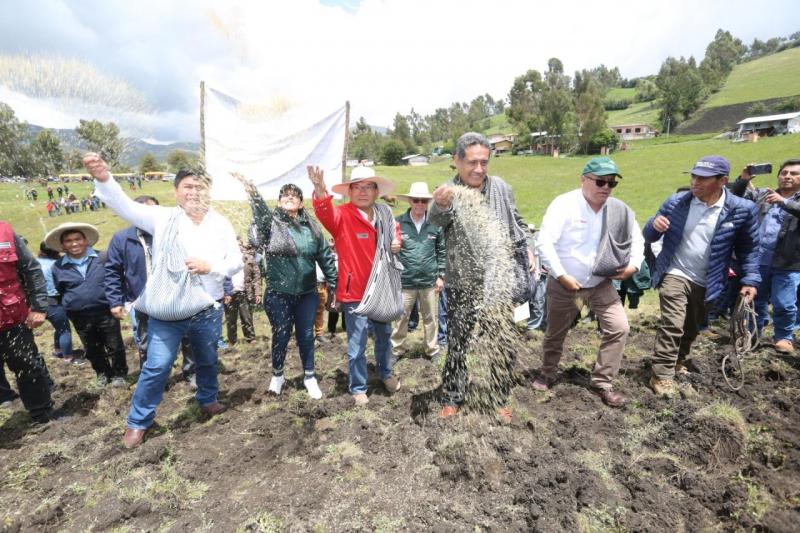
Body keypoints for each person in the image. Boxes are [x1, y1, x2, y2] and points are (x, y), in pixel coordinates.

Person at [85, 154, 242, 448]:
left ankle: (207, 399)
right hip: (168, 310)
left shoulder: (220, 223)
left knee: (207, 359)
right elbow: (124, 206)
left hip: (207, 306)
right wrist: (104, 177)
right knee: (157, 365)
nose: (194, 192)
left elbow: (234, 260)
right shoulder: (162, 217)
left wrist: (212, 267)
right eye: (188, 186)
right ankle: (138, 422)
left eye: (200, 186)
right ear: (177, 191)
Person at [429, 132, 534, 421]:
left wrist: (529, 248)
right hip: (464, 281)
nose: (478, 169)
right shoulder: (448, 191)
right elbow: (435, 220)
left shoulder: (501, 188)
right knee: (458, 342)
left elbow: (517, 221)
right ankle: (452, 396)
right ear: (457, 161)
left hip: (500, 280)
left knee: (503, 341)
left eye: (484, 163)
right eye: (472, 163)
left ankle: (500, 398)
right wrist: (439, 204)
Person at [644, 155, 761, 396]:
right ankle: (662, 374)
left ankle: (678, 361)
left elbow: (749, 248)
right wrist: (653, 225)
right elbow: (650, 234)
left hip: (710, 280)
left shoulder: (742, 210)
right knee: (672, 324)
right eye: (693, 176)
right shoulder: (677, 202)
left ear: (723, 181)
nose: (695, 182)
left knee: (691, 327)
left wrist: (750, 279)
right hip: (674, 272)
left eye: (703, 178)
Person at [534, 157, 644, 407]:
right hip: (564, 282)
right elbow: (544, 242)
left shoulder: (619, 210)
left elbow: (637, 241)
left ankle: (602, 382)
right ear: (584, 180)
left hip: (600, 282)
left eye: (611, 183)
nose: (606, 187)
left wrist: (633, 266)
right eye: (600, 181)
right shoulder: (564, 205)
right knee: (556, 332)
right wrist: (561, 275)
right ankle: (548, 372)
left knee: (619, 327)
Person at [309, 165, 402, 406]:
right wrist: (320, 189)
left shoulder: (384, 213)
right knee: (357, 342)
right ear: (350, 191)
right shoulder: (342, 215)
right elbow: (324, 213)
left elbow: (396, 233)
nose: (362, 192)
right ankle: (358, 386)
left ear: (376, 191)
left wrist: (396, 241)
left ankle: (386, 373)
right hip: (354, 292)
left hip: (382, 289)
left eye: (368, 187)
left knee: (384, 335)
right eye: (357, 187)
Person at [237, 174, 336, 400]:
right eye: (285, 194)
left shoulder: (312, 228)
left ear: (301, 203)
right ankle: (277, 375)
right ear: (280, 201)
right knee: (281, 334)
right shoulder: (271, 224)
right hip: (278, 295)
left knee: (305, 336)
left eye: (295, 195)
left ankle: (309, 377)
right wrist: (252, 190)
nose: (290, 197)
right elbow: (260, 211)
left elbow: (325, 257)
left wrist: (335, 283)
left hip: (307, 294)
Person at [730, 159, 800, 353]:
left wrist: (784, 202)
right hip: (758, 259)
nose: (787, 176)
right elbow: (736, 197)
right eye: (784, 173)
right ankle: (752, 335)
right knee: (755, 301)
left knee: (784, 303)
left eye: (794, 173)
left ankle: (784, 337)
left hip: (788, 261)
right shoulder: (763, 195)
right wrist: (743, 179)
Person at [48, 222, 129, 387]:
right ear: (63, 245)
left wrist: (119, 302)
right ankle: (102, 373)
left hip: (106, 311)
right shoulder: (57, 267)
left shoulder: (104, 257)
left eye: (78, 239)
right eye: (69, 241)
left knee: (114, 344)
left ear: (86, 240)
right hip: (79, 316)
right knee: (92, 348)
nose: (74, 243)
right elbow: (57, 291)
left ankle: (119, 374)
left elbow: (118, 280)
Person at [0, 221, 55, 423]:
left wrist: (39, 307)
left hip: (12, 320)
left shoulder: (5, 233)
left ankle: (43, 416)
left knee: (28, 367)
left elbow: (31, 269)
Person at [391, 182, 445, 360]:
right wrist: (392, 247)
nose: (420, 204)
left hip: (429, 280)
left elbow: (441, 251)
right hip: (405, 280)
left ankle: (432, 349)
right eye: (416, 200)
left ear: (428, 202)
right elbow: (387, 248)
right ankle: (396, 350)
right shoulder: (398, 223)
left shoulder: (435, 224)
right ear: (410, 201)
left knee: (430, 318)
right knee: (401, 318)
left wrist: (441, 276)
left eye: (423, 201)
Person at [36, 242, 79, 364]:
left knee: (59, 327)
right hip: (53, 302)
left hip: (38, 302)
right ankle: (68, 357)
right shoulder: (56, 265)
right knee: (65, 330)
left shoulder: (34, 262)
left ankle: (58, 350)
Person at [224, 237, 261, 346]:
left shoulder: (249, 259)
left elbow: (257, 276)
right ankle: (232, 340)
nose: (238, 247)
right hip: (230, 293)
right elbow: (221, 276)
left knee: (247, 317)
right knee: (230, 318)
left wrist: (258, 293)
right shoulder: (226, 260)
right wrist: (224, 292)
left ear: (242, 245)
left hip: (244, 292)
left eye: (239, 244)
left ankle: (250, 338)